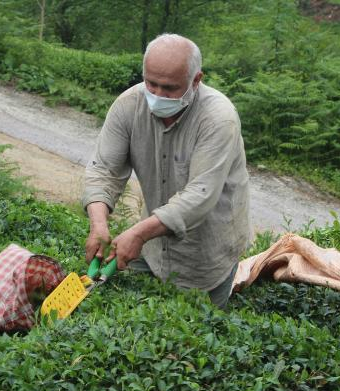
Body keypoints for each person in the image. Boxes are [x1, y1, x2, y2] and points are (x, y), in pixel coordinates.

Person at [81, 33, 250, 309]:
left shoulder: (219, 118)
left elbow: (199, 196)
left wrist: (137, 233)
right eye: (151, 83)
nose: (157, 96)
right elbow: (104, 170)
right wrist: (98, 224)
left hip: (208, 255)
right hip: (152, 249)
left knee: (196, 333)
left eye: (170, 88)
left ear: (196, 80)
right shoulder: (129, 105)